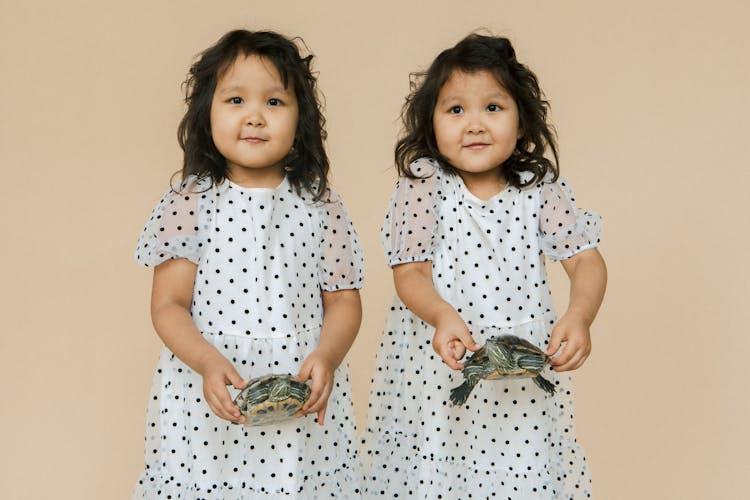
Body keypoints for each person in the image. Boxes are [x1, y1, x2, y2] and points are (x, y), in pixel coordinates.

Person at [361, 33, 607, 498]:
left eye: (493, 108)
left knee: (524, 471)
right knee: (439, 473)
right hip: (440, 361)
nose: (474, 124)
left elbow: (586, 260)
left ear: (522, 120)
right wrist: (440, 316)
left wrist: (579, 315)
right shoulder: (424, 185)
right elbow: (409, 272)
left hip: (522, 365)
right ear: (430, 124)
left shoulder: (539, 187)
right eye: (455, 110)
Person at [132, 29, 364, 498]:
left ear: (301, 119)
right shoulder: (189, 201)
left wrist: (327, 356)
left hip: (298, 388)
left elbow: (343, 301)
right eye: (235, 100)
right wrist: (206, 361)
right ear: (207, 114)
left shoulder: (321, 205)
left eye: (275, 103)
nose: (255, 116)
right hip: (210, 388)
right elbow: (169, 305)